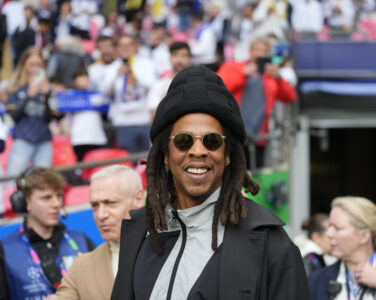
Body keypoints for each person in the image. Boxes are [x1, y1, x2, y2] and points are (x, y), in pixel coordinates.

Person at [111, 65, 310, 300]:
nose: (198, 151)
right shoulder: (140, 234)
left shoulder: (272, 245)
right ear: (165, 154)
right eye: (184, 141)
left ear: (227, 155)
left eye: (212, 141)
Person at [50, 165, 144, 300]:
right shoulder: (81, 268)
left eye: (110, 203)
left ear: (138, 199)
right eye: (95, 205)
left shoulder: (171, 250)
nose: (101, 215)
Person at [0, 167, 95, 300]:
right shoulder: (4, 250)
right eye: (46, 198)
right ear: (25, 202)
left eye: (59, 196)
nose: (56, 204)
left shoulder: (83, 241)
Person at [217, 37, 296, 167]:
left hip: (258, 138)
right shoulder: (234, 67)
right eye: (256, 50)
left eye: (264, 51)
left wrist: (278, 78)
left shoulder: (271, 77)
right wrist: (243, 74)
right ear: (250, 51)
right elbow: (219, 87)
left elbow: (290, 96)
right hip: (232, 135)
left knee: (255, 175)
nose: (259, 54)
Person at [308, 196, 376, 300]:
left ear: (364, 236)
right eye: (330, 226)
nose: (329, 234)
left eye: (337, 228)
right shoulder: (315, 282)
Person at [6, 47, 59, 177]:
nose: (35, 69)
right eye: (32, 65)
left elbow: (50, 118)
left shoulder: (49, 89)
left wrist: (47, 96)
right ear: (24, 66)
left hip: (44, 141)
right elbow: (12, 116)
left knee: (45, 181)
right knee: (13, 179)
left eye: (39, 65)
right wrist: (28, 95)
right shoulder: (15, 87)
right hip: (22, 140)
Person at [146, 41, 192, 120]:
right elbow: (153, 114)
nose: (179, 60)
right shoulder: (159, 84)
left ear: (190, 59)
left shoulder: (196, 83)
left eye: (184, 56)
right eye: (175, 55)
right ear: (170, 58)